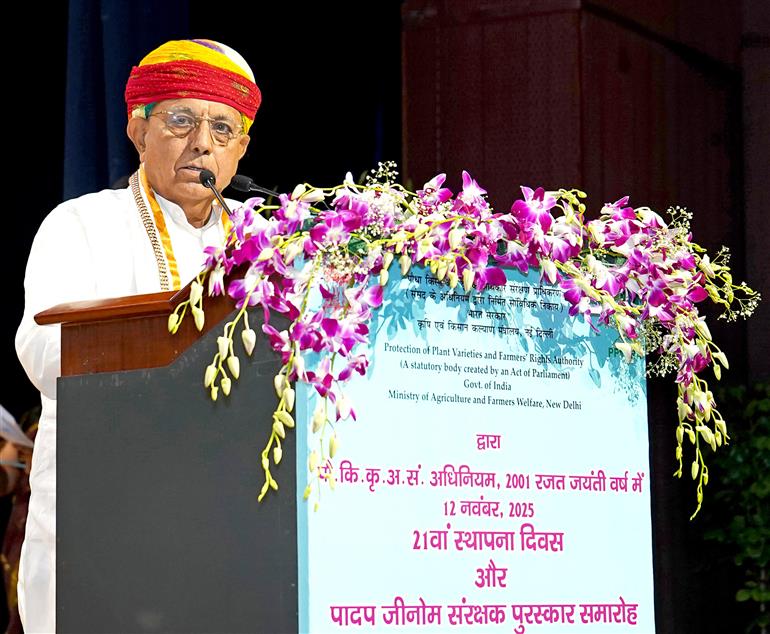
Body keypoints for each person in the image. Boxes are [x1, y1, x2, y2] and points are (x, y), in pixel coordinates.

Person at [15, 39, 262, 633]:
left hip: (238, 521)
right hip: (109, 509)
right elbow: (45, 353)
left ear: (241, 150)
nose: (202, 142)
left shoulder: (268, 246)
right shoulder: (82, 224)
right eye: (181, 120)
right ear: (137, 128)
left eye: (223, 129)